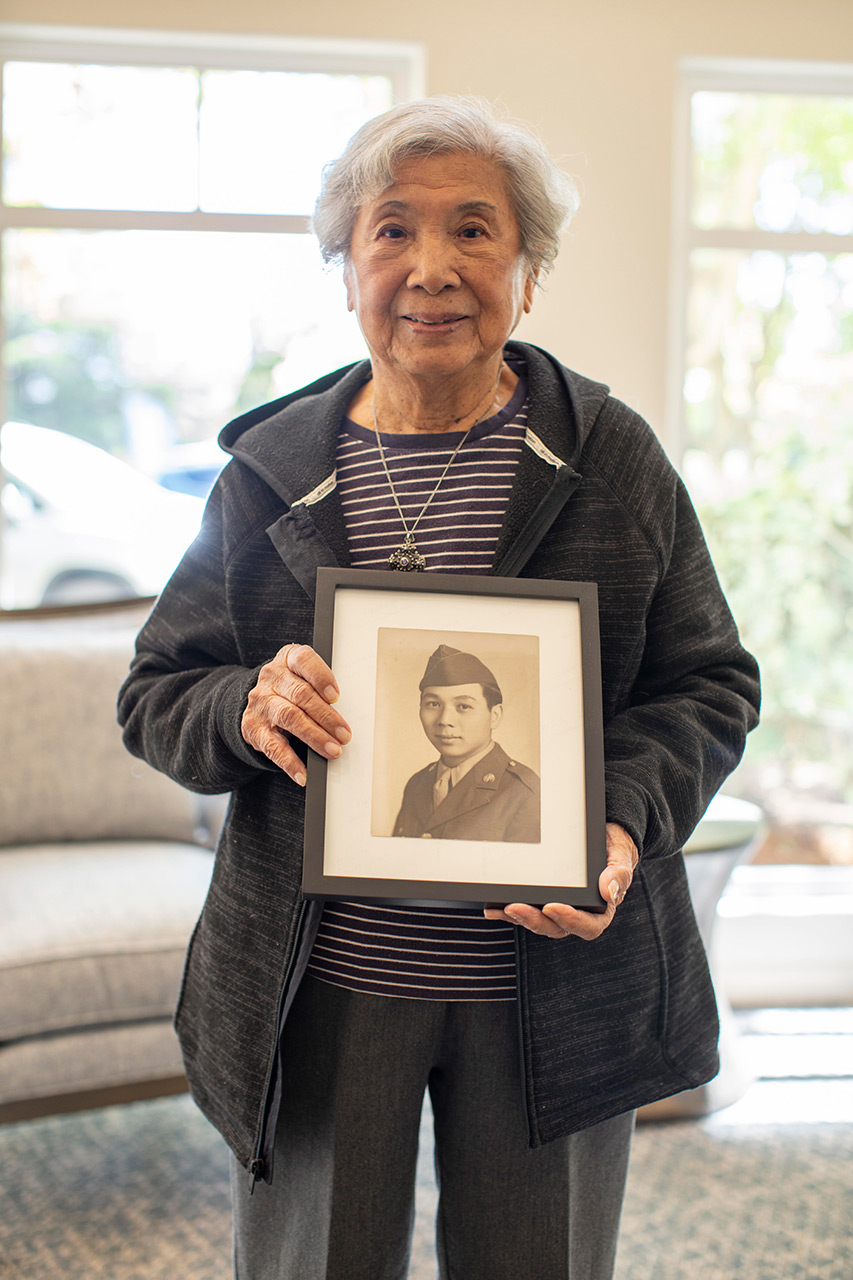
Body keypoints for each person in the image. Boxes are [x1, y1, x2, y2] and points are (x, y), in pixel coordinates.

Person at [118, 95, 760, 1280]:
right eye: (390, 230)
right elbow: (158, 687)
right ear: (343, 264)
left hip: (557, 983)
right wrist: (246, 705)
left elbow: (707, 682)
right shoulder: (270, 473)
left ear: (529, 271)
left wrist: (615, 821)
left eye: (474, 230)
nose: (431, 267)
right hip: (325, 987)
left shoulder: (609, 457)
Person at [392, 642, 540, 841]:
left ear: (494, 715)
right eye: (433, 704)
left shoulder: (524, 792)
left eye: (463, 706)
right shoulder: (418, 783)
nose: (444, 720)